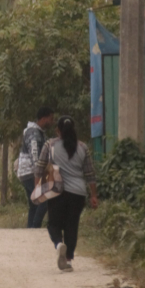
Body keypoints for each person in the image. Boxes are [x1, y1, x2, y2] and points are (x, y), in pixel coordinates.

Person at [35, 115, 98, 271]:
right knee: (72, 225)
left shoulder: (50, 145)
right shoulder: (83, 147)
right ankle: (68, 260)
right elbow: (90, 174)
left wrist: (38, 188)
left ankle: (59, 244)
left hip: (57, 191)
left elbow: (39, 168)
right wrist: (94, 195)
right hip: (78, 193)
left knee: (53, 224)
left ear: (58, 130)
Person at [16, 107, 56, 229]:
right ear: (44, 119)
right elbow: (35, 156)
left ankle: (30, 231)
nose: (52, 121)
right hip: (30, 172)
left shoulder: (38, 132)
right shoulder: (33, 133)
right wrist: (38, 177)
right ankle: (35, 228)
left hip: (26, 172)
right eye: (51, 118)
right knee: (44, 199)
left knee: (34, 204)